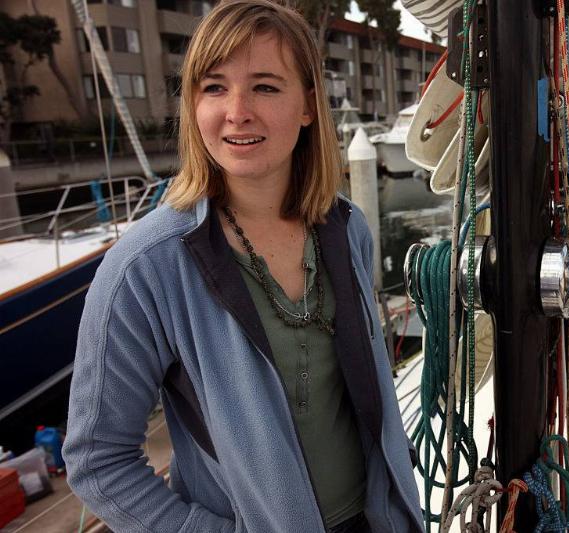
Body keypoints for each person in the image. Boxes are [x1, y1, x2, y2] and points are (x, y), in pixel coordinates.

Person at [62, 2, 423, 532]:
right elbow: (98, 460)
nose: (237, 111)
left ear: (307, 105)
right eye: (214, 87)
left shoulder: (347, 229)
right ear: (193, 105)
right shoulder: (145, 270)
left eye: (266, 86)